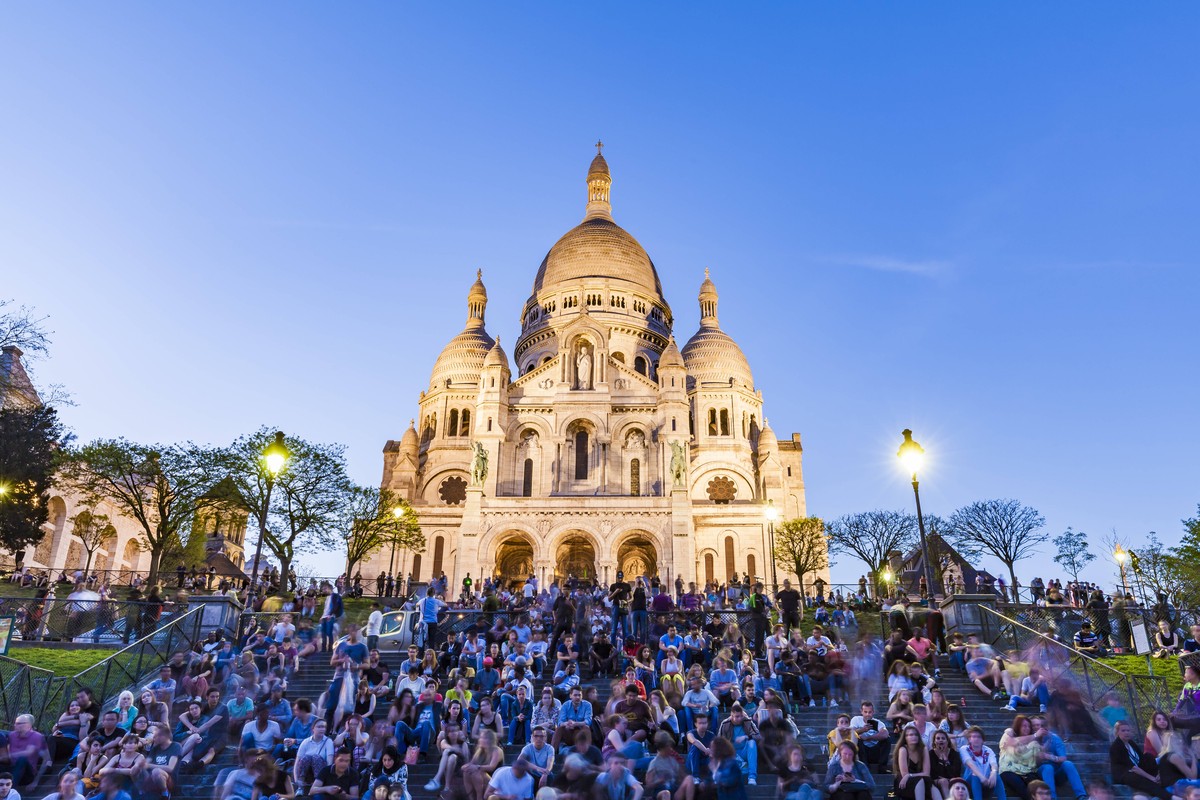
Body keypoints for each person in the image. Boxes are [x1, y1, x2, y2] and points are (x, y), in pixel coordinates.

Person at [1109, 720, 1171, 800]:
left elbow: (1142, 758)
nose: (1126, 732)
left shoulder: (1131, 743)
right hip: (1125, 774)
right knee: (1138, 778)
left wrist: (1158, 773)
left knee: (1148, 756)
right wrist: (1151, 778)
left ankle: (1159, 778)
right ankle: (1169, 796)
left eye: (1128, 730)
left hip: (1138, 769)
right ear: (1117, 732)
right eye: (1123, 730)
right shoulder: (1116, 747)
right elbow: (1133, 768)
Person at [716, 703, 761, 786]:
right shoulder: (725, 724)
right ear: (731, 716)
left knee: (752, 743)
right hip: (731, 753)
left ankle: (752, 777)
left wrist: (746, 737)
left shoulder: (747, 721)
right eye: (736, 716)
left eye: (740, 716)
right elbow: (719, 742)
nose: (739, 718)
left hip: (744, 752)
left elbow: (758, 736)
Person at [960, 726, 1005, 800]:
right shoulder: (964, 749)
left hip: (986, 784)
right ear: (969, 739)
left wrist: (993, 773)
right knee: (975, 774)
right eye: (973, 737)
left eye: (979, 737)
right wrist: (981, 777)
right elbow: (970, 764)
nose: (976, 739)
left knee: (996, 775)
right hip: (970, 783)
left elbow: (993, 764)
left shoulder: (988, 750)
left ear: (983, 740)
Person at [5, 714, 48, 789]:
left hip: (27, 774)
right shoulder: (11, 735)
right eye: (15, 723)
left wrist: (35, 782)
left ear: (28, 725)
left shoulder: (37, 736)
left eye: (19, 723)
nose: (15, 725)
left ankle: (9, 790)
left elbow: (46, 759)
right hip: (11, 768)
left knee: (22, 759)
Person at [893, 725, 931, 800]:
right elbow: (904, 774)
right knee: (920, 781)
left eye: (915, 734)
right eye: (910, 735)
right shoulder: (903, 749)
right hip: (904, 782)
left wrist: (909, 775)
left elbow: (926, 773)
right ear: (905, 738)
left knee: (931, 784)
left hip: (921, 779)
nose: (913, 737)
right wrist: (907, 776)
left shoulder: (923, 749)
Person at [851, 701, 890, 772]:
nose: (867, 714)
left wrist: (869, 738)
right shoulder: (856, 719)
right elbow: (851, 733)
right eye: (865, 712)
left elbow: (885, 734)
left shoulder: (878, 722)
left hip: (875, 751)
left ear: (873, 712)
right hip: (862, 751)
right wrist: (863, 730)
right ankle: (865, 767)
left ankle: (882, 767)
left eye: (870, 712)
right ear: (861, 711)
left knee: (887, 740)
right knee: (857, 738)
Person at [929, 730, 962, 800]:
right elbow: (934, 774)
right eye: (938, 738)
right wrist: (941, 760)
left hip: (952, 779)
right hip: (935, 781)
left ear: (947, 741)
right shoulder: (930, 754)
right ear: (934, 741)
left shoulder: (954, 754)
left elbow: (955, 773)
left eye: (943, 738)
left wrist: (946, 760)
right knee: (943, 781)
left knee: (953, 780)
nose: (941, 740)